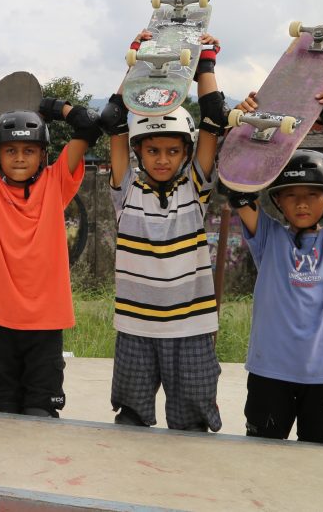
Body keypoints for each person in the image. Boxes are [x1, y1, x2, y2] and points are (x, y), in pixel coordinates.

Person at [228, 84, 323, 444]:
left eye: (311, 195)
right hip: (271, 371)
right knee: (264, 453)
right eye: (290, 196)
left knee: (316, 462)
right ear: (277, 202)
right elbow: (236, 188)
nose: (300, 203)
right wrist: (246, 129)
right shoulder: (267, 237)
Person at [0, 84, 102, 416]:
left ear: (43, 155)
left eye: (29, 151)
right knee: (5, 410)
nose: (19, 158)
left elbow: (90, 125)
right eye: (10, 150)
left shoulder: (57, 184)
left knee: (42, 412)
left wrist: (57, 107)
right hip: (2, 324)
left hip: (45, 325)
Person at [98, 31, 228, 431]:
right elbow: (112, 120)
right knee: (133, 419)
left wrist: (205, 62)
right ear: (138, 151)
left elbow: (213, 120)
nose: (162, 159)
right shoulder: (127, 192)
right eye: (153, 150)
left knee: (191, 421)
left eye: (173, 151)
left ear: (186, 154)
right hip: (136, 328)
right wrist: (135, 65)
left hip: (191, 327)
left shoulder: (195, 189)